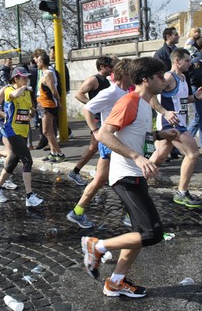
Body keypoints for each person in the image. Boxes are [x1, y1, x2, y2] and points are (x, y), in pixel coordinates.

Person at [81, 57, 177, 298]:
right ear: (145, 79)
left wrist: (160, 133)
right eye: (160, 76)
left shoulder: (144, 103)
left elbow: (136, 132)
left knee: (137, 234)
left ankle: (115, 282)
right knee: (152, 233)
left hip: (135, 174)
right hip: (125, 175)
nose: (164, 80)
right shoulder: (130, 101)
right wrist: (137, 157)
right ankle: (97, 246)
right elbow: (104, 134)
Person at [67, 59, 132, 228]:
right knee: (126, 178)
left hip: (119, 142)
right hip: (110, 142)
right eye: (131, 73)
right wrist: (96, 131)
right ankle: (130, 214)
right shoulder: (111, 92)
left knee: (101, 180)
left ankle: (77, 212)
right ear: (124, 74)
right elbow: (87, 109)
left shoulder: (126, 92)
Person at [150, 48, 202, 208]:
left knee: (160, 156)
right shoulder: (168, 77)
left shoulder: (183, 77)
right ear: (177, 61)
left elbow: (182, 100)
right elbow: (151, 96)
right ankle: (182, 192)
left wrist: (196, 97)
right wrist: (165, 112)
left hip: (179, 121)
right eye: (187, 61)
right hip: (171, 123)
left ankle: (136, 182)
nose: (191, 63)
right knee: (193, 153)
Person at [0, 67, 43, 207]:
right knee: (27, 161)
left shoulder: (26, 93)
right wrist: (24, 88)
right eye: (23, 78)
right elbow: (13, 95)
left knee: (12, 161)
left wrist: (34, 111)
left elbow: (29, 112)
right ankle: (29, 196)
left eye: (27, 77)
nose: (26, 80)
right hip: (12, 130)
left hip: (23, 130)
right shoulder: (9, 89)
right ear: (16, 79)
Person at [67, 56, 116, 185]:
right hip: (96, 118)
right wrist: (92, 104)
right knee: (104, 145)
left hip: (102, 117)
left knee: (95, 147)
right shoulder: (93, 79)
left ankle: (80, 172)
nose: (112, 69)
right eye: (110, 67)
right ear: (102, 67)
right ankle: (82, 172)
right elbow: (78, 94)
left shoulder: (105, 81)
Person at [36, 53, 66, 162]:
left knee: (46, 131)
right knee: (49, 131)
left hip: (48, 105)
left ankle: (60, 153)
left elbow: (54, 91)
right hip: (43, 104)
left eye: (38, 61)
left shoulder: (48, 74)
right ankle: (53, 153)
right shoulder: (43, 73)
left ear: (42, 62)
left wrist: (59, 102)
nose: (36, 63)